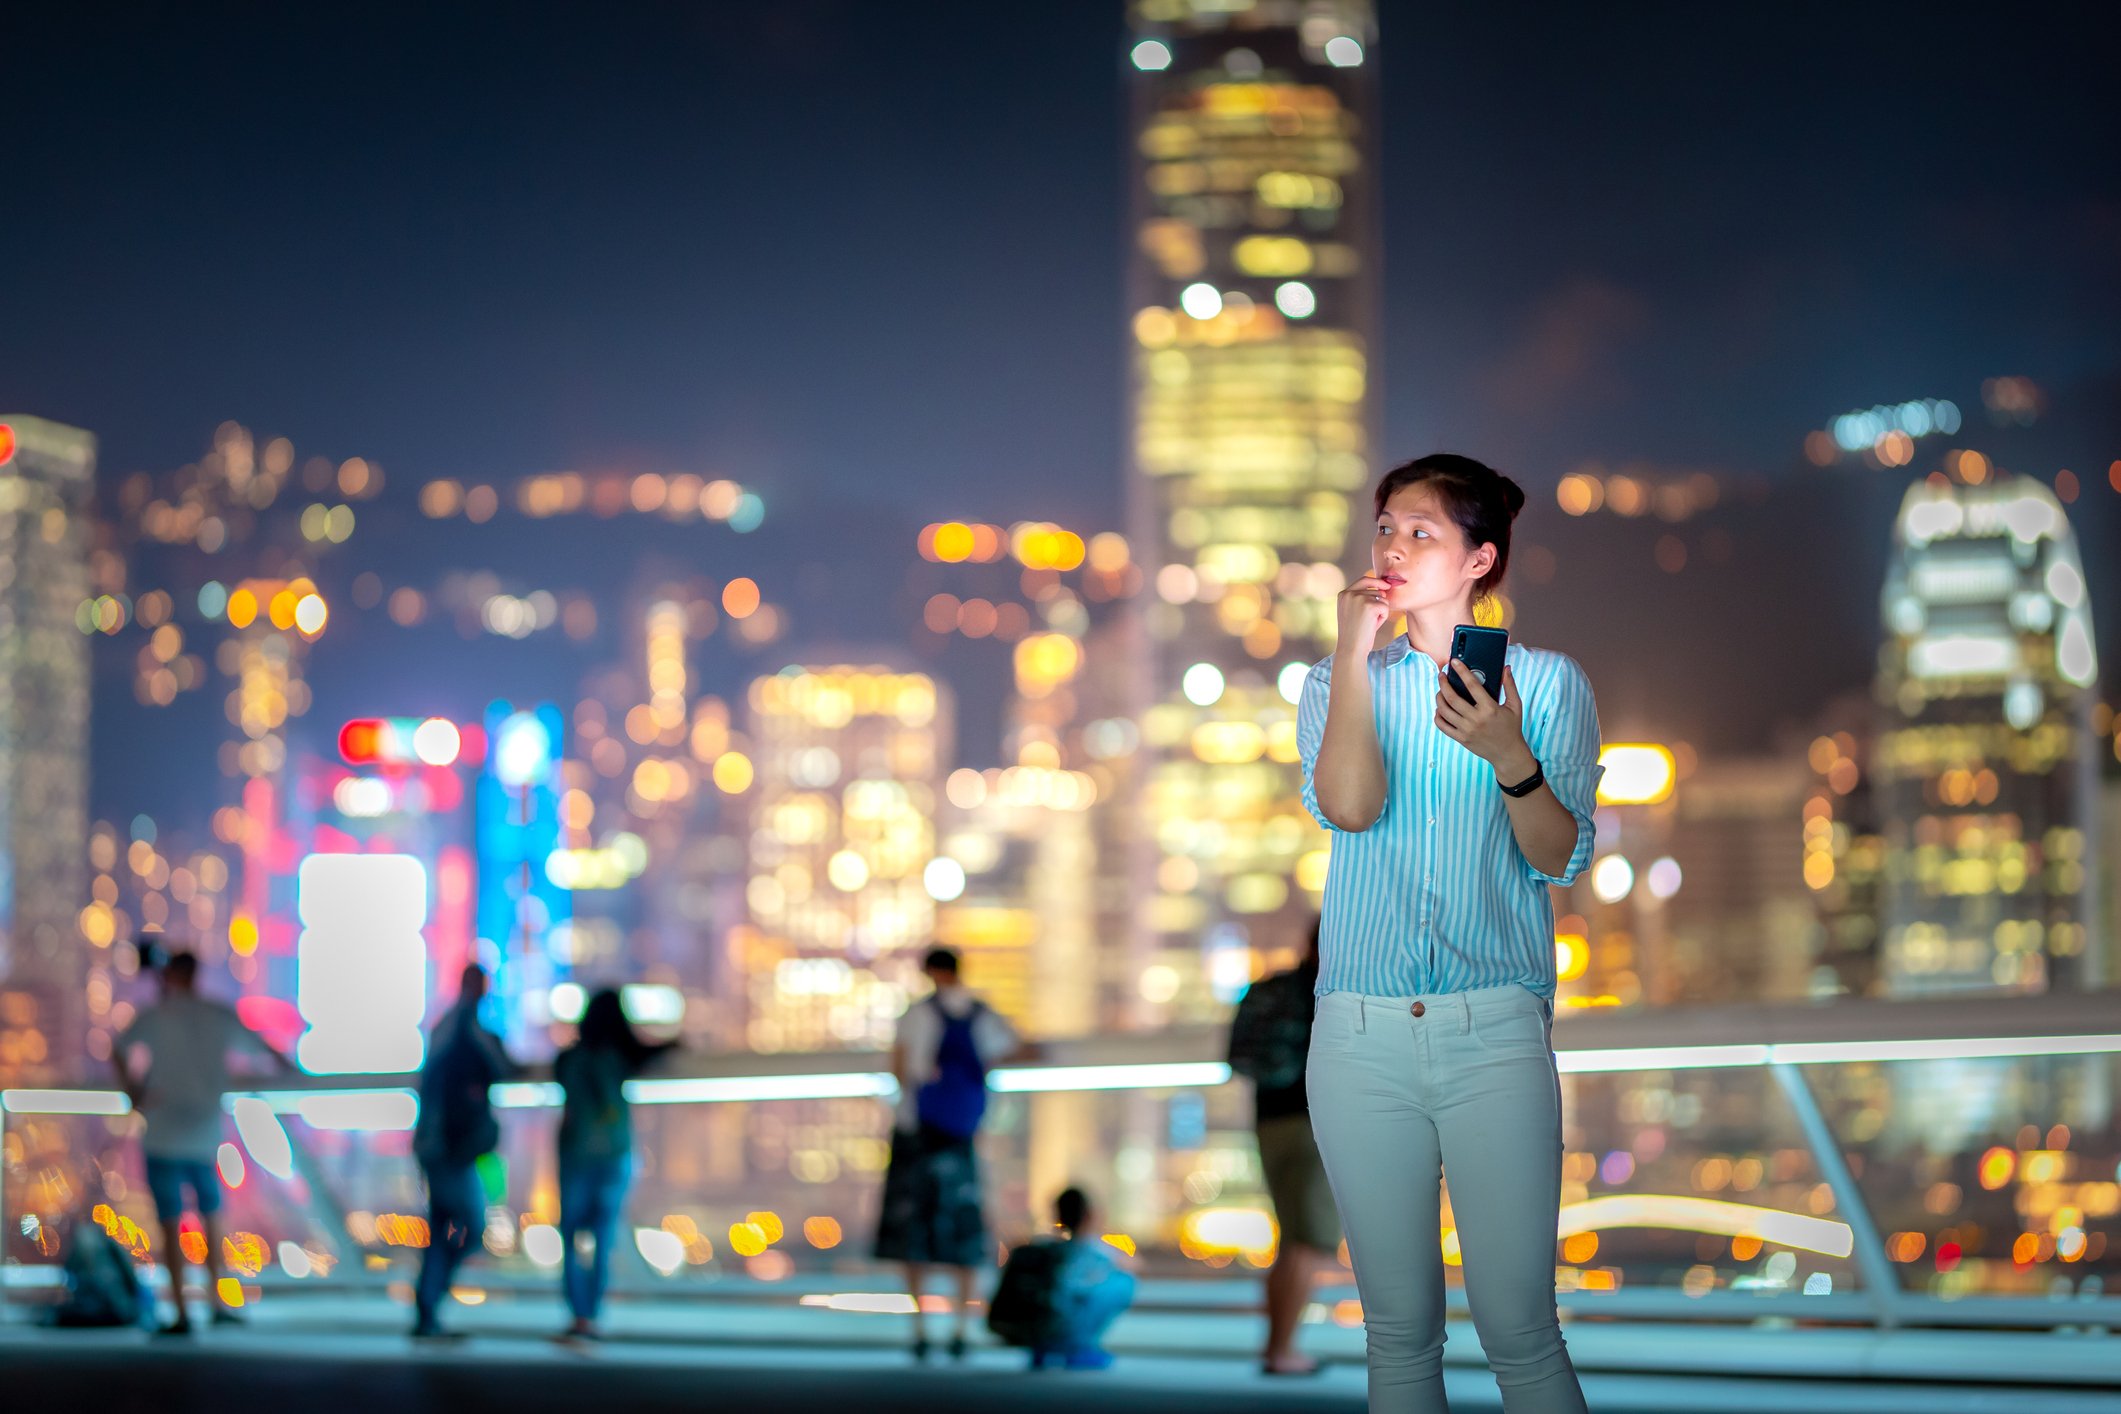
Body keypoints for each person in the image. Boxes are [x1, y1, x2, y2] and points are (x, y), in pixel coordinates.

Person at [1297, 453, 1602, 1413]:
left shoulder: (1548, 685)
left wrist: (1511, 755)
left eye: (1420, 533)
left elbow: (1558, 857)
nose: (1391, 547)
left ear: (1479, 560)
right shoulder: (1333, 680)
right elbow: (1348, 808)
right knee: (1396, 1338)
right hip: (1356, 1036)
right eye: (1384, 527)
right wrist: (1353, 651)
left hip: (1492, 1033)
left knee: (1520, 1330)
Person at [112, 949, 291, 1335]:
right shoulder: (218, 1015)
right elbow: (266, 1051)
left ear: (169, 976)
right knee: (211, 1218)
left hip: (162, 1133)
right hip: (205, 1135)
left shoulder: (156, 1016)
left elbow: (119, 1047)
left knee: (170, 1222)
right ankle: (217, 1302)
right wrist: (297, 1077)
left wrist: (133, 1090)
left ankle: (179, 1311)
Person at [875, 945, 1031, 1361]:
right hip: (962, 1135)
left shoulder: (919, 1013)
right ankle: (963, 1328)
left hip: (918, 1133)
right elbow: (1013, 1048)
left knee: (915, 1235)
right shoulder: (982, 1014)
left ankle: (921, 1329)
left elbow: (899, 1064)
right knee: (965, 1230)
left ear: (929, 972)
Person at [1228, 919, 1340, 1376]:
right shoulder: (1338, 992)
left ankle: (1277, 1345)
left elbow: (1235, 1057)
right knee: (1309, 1241)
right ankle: (1282, 1350)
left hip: (1271, 1120)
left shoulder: (1266, 989)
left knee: (1291, 1239)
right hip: (1318, 1123)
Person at [552, 987, 677, 1339]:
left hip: (576, 1154)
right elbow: (652, 1054)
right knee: (604, 1236)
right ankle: (592, 1314)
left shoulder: (569, 1059)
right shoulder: (620, 1057)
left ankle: (578, 1315)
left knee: (572, 1236)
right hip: (615, 1152)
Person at [410, 963, 518, 1340]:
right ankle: (429, 1304)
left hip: (436, 1143)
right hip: (451, 1146)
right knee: (470, 1226)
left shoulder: (444, 1027)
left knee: (441, 1226)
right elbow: (502, 1068)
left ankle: (427, 1310)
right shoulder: (467, 1029)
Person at [989, 1187, 1138, 1371]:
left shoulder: (1037, 1249)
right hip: (1060, 1325)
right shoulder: (1092, 1254)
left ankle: (1045, 1347)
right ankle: (1077, 1346)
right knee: (1123, 1283)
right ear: (1088, 1215)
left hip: (1029, 1326)